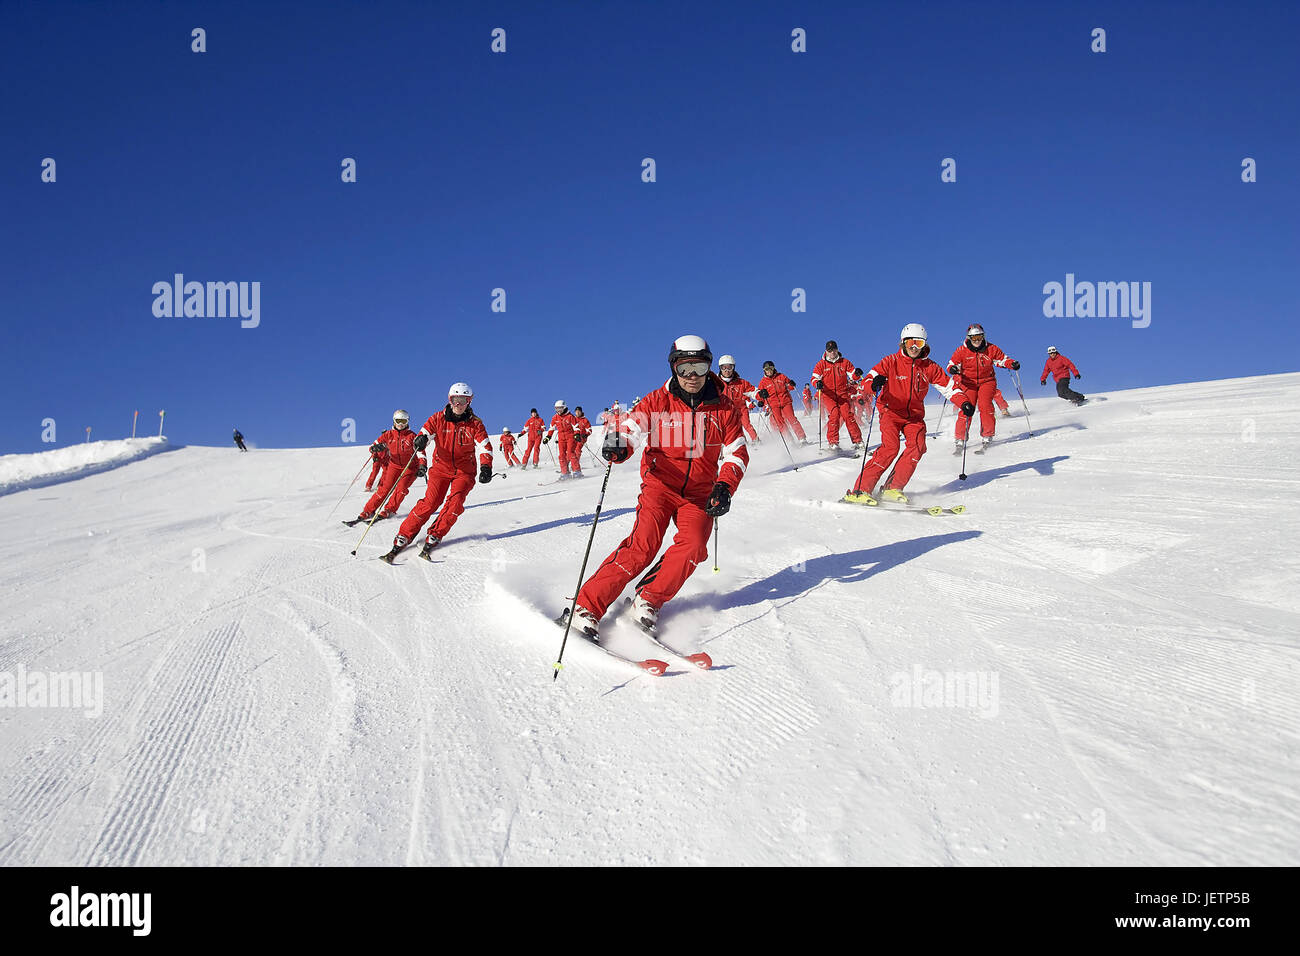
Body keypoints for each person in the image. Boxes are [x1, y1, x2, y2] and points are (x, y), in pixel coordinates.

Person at [560, 335, 748, 638]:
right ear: (674, 368)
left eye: (699, 367)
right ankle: (586, 606)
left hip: (700, 493)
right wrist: (619, 442)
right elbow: (632, 426)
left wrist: (724, 486)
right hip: (660, 486)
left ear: (709, 367)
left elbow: (736, 452)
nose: (692, 376)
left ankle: (648, 598)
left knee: (694, 546)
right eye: (685, 367)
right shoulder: (658, 400)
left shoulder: (724, 409)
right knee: (643, 545)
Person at [844, 324, 973, 505]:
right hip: (890, 411)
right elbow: (868, 379)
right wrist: (873, 385)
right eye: (910, 342)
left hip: (913, 416)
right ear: (903, 343)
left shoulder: (929, 367)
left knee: (918, 446)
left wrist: (964, 402)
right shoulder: (890, 362)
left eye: (918, 343)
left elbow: (949, 388)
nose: (914, 347)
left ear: (924, 345)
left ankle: (891, 488)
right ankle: (860, 490)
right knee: (891, 447)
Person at [383, 384, 493, 562]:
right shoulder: (437, 419)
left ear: (469, 401)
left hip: (464, 472)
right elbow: (425, 434)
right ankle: (404, 534)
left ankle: (435, 534)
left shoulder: (475, 424)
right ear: (450, 400)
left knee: (455, 504)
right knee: (430, 502)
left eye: (463, 400)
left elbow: (484, 447)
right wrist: (421, 440)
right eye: (455, 400)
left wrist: (486, 467)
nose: (459, 404)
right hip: (440, 469)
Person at [947, 324, 1019, 452]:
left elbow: (1001, 360)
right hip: (968, 383)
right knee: (966, 407)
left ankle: (987, 435)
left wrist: (1011, 364)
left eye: (979, 337)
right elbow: (952, 364)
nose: (977, 340)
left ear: (983, 336)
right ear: (969, 338)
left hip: (987, 381)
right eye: (974, 338)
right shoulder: (962, 350)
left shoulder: (991, 348)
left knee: (985, 406)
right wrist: (953, 369)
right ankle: (960, 438)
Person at [355, 409, 423, 521]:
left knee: (401, 489)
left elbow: (421, 452)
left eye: (403, 421)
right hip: (394, 465)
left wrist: (422, 465)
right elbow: (373, 445)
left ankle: (389, 509)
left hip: (410, 468)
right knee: (384, 489)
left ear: (407, 422)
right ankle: (368, 510)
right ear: (394, 421)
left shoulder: (412, 436)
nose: (400, 424)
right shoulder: (388, 435)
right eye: (398, 421)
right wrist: (375, 448)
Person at [811, 340, 865, 452]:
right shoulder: (821, 364)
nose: (832, 353)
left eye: (834, 350)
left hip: (842, 394)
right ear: (826, 351)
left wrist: (857, 374)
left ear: (837, 350)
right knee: (835, 414)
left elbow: (853, 375)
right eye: (830, 351)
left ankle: (858, 441)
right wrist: (817, 383)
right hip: (828, 395)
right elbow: (814, 378)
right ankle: (833, 443)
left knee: (848, 415)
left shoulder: (844, 362)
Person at [754, 360, 808, 443]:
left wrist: (791, 384)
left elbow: (790, 387)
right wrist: (761, 398)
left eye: (770, 368)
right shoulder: (763, 382)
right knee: (780, 423)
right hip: (774, 405)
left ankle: (802, 438)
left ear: (773, 368)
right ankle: (789, 440)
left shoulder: (781, 376)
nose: (769, 371)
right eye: (767, 369)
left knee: (792, 419)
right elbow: (759, 394)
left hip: (785, 401)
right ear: (764, 371)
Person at [717, 354, 761, 443]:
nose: (726, 371)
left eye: (729, 368)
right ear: (720, 368)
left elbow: (753, 391)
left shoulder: (741, 383)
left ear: (733, 368)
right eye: (724, 368)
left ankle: (756, 441)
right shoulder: (716, 383)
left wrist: (760, 394)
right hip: (726, 411)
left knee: (746, 425)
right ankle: (742, 443)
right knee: (732, 428)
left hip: (741, 409)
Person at [544, 399, 579, 479]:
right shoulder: (555, 417)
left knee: (570, 453)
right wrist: (548, 437)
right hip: (561, 438)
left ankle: (577, 471)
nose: (558, 410)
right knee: (562, 455)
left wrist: (577, 434)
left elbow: (576, 427)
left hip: (570, 436)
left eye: (560, 408)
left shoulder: (570, 416)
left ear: (564, 407)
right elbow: (551, 428)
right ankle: (565, 473)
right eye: (557, 408)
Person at [572, 407, 593, 474]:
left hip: (582, 438)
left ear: (581, 412)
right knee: (570, 450)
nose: (577, 413)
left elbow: (590, 430)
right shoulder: (573, 419)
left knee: (577, 449)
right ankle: (569, 465)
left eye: (579, 411)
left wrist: (586, 434)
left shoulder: (585, 420)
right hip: (574, 437)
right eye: (576, 412)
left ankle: (576, 464)